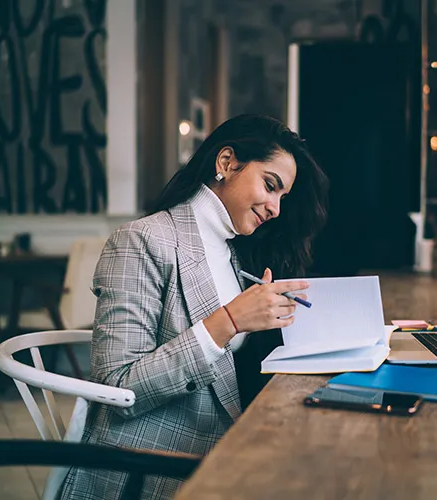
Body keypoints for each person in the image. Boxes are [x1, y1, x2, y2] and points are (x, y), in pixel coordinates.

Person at [59, 114, 329, 499]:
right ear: (226, 163)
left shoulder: (233, 254)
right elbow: (118, 387)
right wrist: (231, 320)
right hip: (149, 464)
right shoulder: (140, 241)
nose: (275, 208)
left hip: (220, 447)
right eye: (271, 186)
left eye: (282, 197)